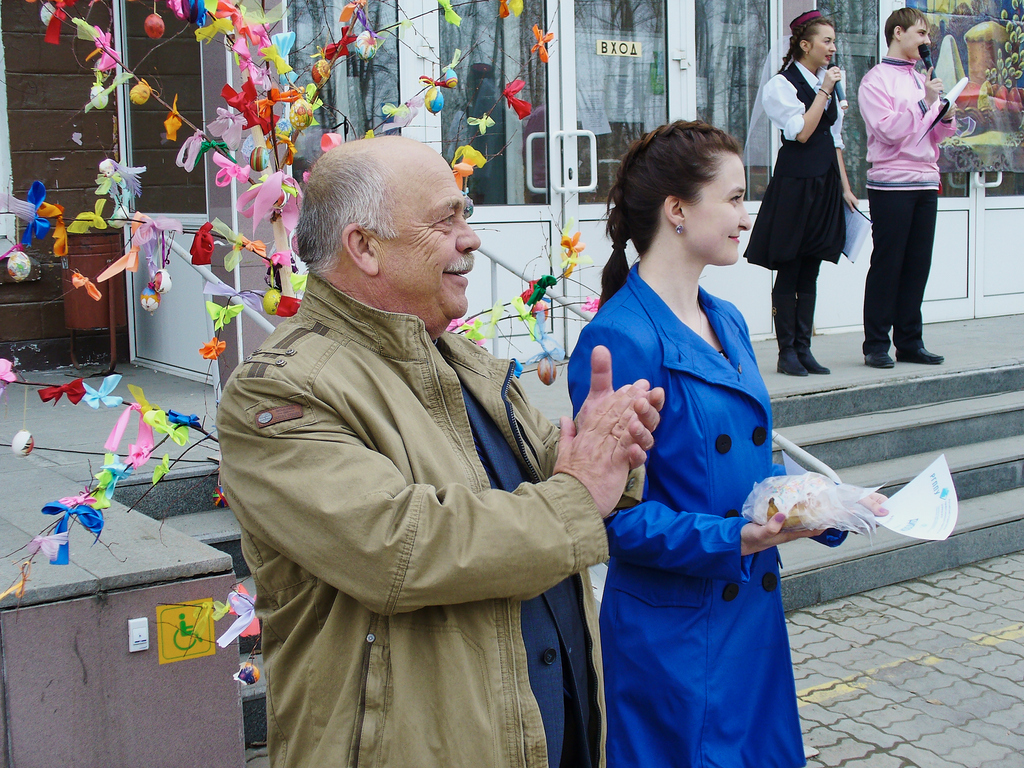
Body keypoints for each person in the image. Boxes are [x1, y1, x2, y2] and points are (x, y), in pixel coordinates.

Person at [216, 135, 664, 768]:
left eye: (466, 214)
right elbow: (401, 548)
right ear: (364, 247)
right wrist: (581, 490)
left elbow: (561, 476)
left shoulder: (458, 358)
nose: (470, 238)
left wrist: (609, 451)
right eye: (445, 220)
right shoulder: (279, 389)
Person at [568, 121, 884, 768]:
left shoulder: (729, 319)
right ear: (677, 211)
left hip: (749, 627)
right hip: (675, 642)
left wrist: (817, 504)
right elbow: (609, 518)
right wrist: (737, 539)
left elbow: (746, 464)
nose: (747, 215)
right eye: (735, 198)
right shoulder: (620, 338)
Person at [744, 11, 858, 377]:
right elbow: (803, 132)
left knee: (812, 265)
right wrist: (824, 90)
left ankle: (804, 349)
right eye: (826, 41)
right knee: (790, 266)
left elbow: (834, 139)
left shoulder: (828, 83)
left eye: (834, 41)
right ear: (805, 45)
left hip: (824, 183)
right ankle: (786, 351)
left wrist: (845, 187)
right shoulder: (781, 85)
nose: (832, 48)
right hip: (796, 185)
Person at [859, 8, 955, 368]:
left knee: (917, 265)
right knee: (888, 264)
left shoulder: (920, 79)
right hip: (891, 184)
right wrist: (925, 102)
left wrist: (945, 115)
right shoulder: (875, 81)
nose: (926, 41)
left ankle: (910, 342)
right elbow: (887, 130)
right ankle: (876, 344)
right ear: (898, 33)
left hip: (926, 181)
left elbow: (935, 134)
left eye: (928, 35)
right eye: (921, 33)